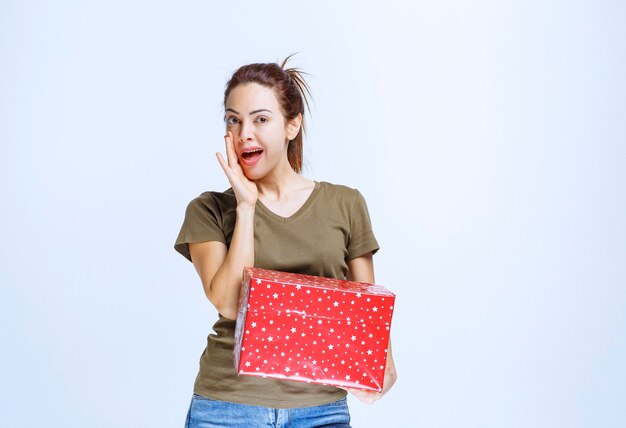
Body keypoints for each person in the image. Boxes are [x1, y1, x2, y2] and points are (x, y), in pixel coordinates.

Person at [174, 53, 397, 428]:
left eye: (261, 119)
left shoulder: (346, 204)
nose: (245, 132)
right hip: (227, 407)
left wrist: (382, 361)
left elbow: (366, 309)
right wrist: (246, 206)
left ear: (292, 125)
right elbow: (230, 304)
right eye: (234, 119)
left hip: (321, 409)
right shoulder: (209, 209)